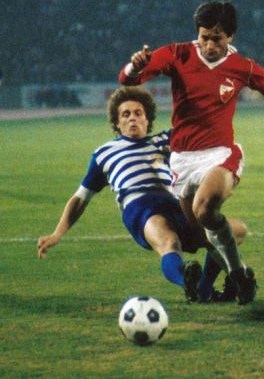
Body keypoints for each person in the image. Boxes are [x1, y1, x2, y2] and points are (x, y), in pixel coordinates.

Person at [119, 1, 264, 305]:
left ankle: (236, 275)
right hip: (182, 161)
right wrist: (136, 65)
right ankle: (240, 275)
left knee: (204, 209)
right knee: (201, 235)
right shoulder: (178, 54)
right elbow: (128, 81)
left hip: (220, 155)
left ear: (230, 36)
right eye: (204, 37)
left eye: (217, 38)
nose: (209, 45)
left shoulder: (241, 67)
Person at [37, 86, 248, 304]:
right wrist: (57, 234)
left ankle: (203, 289)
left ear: (148, 120)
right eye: (125, 114)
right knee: (169, 241)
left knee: (235, 231)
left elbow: (195, 129)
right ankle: (187, 281)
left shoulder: (167, 141)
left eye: (138, 113)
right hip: (140, 207)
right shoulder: (104, 154)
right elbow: (80, 198)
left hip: (175, 202)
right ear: (117, 122)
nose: (132, 118)